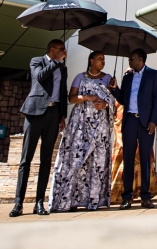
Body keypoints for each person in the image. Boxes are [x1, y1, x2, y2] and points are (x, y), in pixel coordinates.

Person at [49, 51, 116, 212]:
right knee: (76, 161)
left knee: (97, 162)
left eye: (104, 59)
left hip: (100, 126)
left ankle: (93, 201)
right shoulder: (80, 77)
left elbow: (113, 100)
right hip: (80, 125)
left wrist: (105, 105)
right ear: (91, 61)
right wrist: (86, 97)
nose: (103, 61)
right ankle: (69, 200)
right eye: (100, 59)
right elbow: (71, 98)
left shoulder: (108, 79)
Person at [10, 39, 67, 217]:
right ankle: (18, 203)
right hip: (35, 112)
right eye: (62, 49)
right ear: (52, 49)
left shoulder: (62, 68)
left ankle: (39, 202)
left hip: (53, 113)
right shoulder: (37, 61)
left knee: (46, 160)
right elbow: (39, 77)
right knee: (26, 159)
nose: (65, 52)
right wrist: (56, 62)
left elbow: (63, 91)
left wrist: (62, 115)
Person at [116, 48, 157, 209]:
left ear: (140, 59)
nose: (129, 61)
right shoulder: (127, 76)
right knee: (128, 159)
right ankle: (127, 197)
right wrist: (114, 88)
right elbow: (122, 99)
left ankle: (145, 196)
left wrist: (154, 121)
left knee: (145, 160)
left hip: (146, 123)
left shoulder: (153, 74)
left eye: (132, 58)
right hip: (129, 121)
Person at [109, 107, 157, 203]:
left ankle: (141, 191)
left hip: (142, 120)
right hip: (122, 118)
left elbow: (148, 102)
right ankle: (120, 191)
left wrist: (156, 122)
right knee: (124, 154)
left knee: (141, 156)